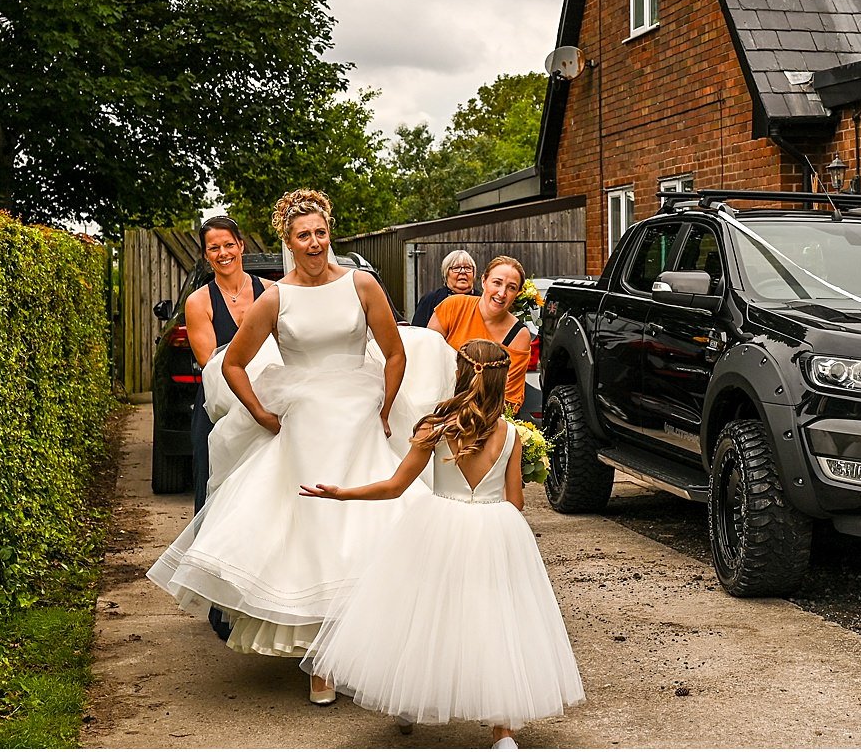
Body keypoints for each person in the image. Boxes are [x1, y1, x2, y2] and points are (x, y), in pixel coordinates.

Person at [148, 188, 424, 704]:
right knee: (314, 528)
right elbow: (231, 364)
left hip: (360, 415)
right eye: (304, 235)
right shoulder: (274, 297)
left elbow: (393, 352)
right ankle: (320, 659)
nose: (315, 242)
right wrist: (260, 413)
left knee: (373, 523)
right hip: (304, 422)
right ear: (289, 242)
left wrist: (385, 407)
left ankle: (373, 647)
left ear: (329, 234)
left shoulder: (362, 286)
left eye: (321, 233)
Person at [300, 339, 585, 747]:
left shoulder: (435, 427)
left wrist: (342, 493)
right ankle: (502, 730)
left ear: (461, 374)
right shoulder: (511, 436)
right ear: (502, 380)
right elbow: (516, 502)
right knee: (496, 619)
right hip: (494, 528)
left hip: (438, 524)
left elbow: (396, 486)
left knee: (423, 613)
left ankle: (407, 701)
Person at [182, 215, 268, 512]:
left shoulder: (271, 292)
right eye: (214, 248)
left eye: (229, 245)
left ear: (241, 246)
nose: (223, 254)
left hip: (268, 401)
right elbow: (211, 365)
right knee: (213, 488)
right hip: (218, 407)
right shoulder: (198, 302)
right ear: (207, 255)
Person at [428, 255, 532, 413]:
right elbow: (426, 360)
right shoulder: (453, 306)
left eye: (511, 287)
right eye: (497, 283)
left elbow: (509, 396)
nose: (502, 293)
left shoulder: (519, 335)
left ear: (517, 293)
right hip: (437, 404)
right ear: (484, 281)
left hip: (486, 415)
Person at [411, 249, 478, 329]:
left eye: (468, 268)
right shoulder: (431, 300)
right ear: (446, 273)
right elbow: (417, 332)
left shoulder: (482, 299)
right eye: (456, 268)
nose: (463, 271)